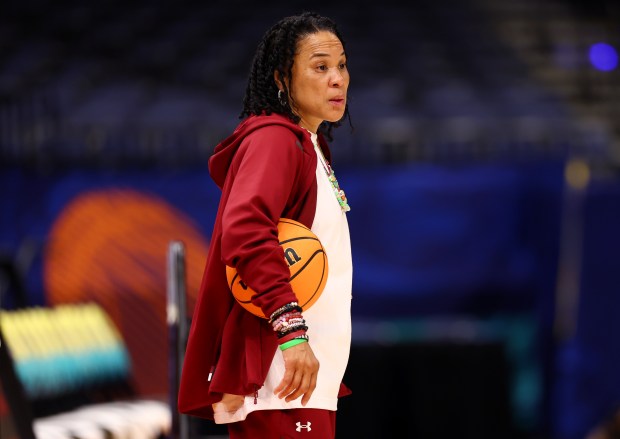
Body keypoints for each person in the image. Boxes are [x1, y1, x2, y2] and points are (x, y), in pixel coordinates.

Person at [178, 11, 353, 438]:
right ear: (281, 78)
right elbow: (246, 229)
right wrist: (292, 335)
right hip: (279, 374)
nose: (338, 79)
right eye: (320, 66)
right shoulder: (274, 139)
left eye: (342, 65)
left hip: (302, 379)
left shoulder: (310, 145)